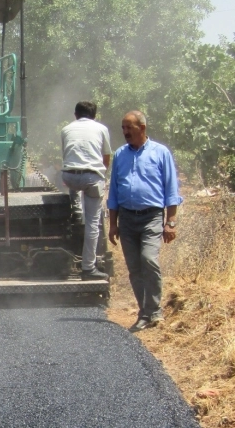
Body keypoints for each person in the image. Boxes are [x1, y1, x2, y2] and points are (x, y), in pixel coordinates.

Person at [107, 111, 182, 333]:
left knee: (148, 259)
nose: (125, 132)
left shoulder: (161, 153)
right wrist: (113, 224)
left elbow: (171, 190)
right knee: (134, 268)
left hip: (152, 217)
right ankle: (145, 313)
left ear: (142, 128)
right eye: (123, 128)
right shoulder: (120, 155)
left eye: (129, 127)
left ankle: (155, 310)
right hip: (127, 219)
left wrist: (171, 222)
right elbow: (114, 192)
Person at [60, 101, 112, 281]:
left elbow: (67, 155)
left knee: (74, 185)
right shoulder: (101, 129)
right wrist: (101, 175)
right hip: (91, 178)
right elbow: (106, 158)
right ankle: (88, 269)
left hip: (69, 177)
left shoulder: (66, 129)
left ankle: (75, 208)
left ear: (75, 114)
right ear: (94, 115)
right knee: (93, 223)